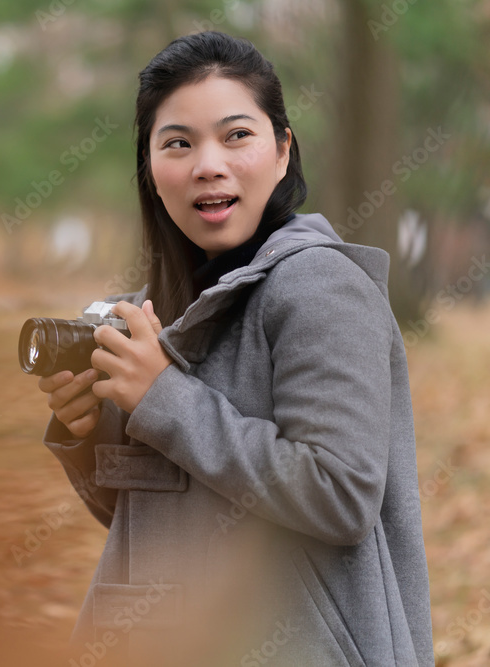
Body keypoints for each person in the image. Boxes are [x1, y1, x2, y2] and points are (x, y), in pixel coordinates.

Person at [37, 31, 434, 666]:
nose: (208, 164)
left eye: (237, 135)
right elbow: (148, 520)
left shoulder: (321, 286)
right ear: (150, 169)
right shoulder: (155, 305)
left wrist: (163, 398)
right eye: (177, 143)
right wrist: (87, 432)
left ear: (283, 151)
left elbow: (340, 494)